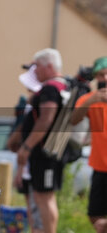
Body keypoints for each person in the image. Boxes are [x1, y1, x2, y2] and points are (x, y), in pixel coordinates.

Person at [17, 48, 66, 233]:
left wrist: (27, 147)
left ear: (49, 66)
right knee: (42, 196)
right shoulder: (61, 85)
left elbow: (46, 119)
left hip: (45, 153)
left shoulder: (50, 88)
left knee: (44, 197)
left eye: (37, 66)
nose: (34, 71)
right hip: (50, 151)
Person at [71, 56, 107, 233]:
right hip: (100, 166)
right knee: (95, 215)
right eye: (101, 75)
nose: (105, 78)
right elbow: (74, 119)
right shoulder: (91, 98)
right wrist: (91, 102)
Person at [7, 64, 44, 233]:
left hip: (33, 160)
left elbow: (22, 133)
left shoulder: (36, 103)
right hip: (28, 161)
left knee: (38, 203)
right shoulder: (34, 102)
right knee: (32, 203)